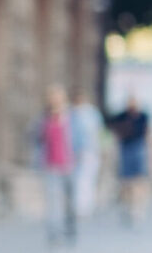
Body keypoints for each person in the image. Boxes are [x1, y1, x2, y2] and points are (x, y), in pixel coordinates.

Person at [35, 85, 76, 246]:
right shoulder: (44, 118)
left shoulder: (71, 117)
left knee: (68, 200)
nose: (55, 101)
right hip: (51, 165)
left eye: (58, 97)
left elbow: (78, 140)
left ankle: (69, 227)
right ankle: (54, 232)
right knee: (53, 201)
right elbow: (38, 139)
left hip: (69, 164)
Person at [109, 95, 151, 227]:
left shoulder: (142, 116)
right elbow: (114, 126)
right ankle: (127, 206)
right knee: (126, 182)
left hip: (138, 148)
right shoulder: (122, 116)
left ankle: (137, 209)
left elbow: (146, 132)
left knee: (138, 181)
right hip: (126, 149)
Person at [69, 88, 105, 217]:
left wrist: (100, 149)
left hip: (89, 150)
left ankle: (86, 206)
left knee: (87, 179)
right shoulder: (70, 113)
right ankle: (76, 205)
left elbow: (98, 132)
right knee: (76, 179)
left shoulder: (91, 114)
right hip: (73, 151)